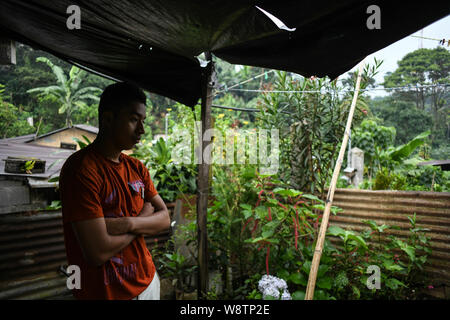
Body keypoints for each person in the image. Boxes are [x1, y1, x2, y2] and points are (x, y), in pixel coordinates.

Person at [59, 82, 170, 300]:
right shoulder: (81, 170)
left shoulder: (137, 168)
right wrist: (142, 219)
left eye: (143, 121)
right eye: (133, 119)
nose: (142, 130)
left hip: (147, 282)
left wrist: (128, 223)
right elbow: (97, 252)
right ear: (108, 119)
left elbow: (165, 218)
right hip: (106, 293)